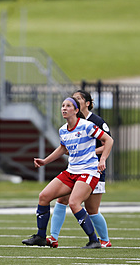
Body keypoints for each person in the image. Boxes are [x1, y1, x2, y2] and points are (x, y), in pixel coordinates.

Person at [22, 96, 113, 249]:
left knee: (74, 203)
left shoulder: (86, 126)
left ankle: (94, 240)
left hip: (88, 171)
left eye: (68, 106)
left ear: (76, 110)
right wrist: (45, 161)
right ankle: (41, 236)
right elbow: (63, 149)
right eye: (63, 105)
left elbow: (109, 140)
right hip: (71, 171)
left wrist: (102, 159)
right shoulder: (63, 129)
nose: (64, 108)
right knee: (43, 196)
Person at [47, 90, 112, 248]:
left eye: (77, 99)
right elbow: (65, 147)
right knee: (62, 199)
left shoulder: (95, 121)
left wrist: (92, 154)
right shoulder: (69, 124)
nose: (72, 102)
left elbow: (107, 143)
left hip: (92, 169)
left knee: (91, 209)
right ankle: (53, 237)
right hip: (75, 170)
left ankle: (104, 240)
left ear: (86, 104)